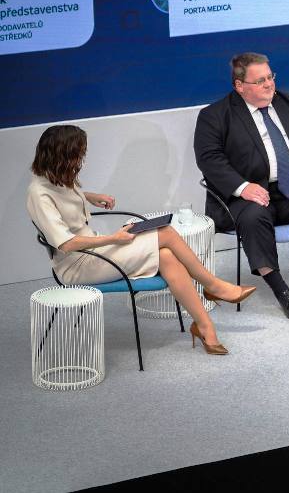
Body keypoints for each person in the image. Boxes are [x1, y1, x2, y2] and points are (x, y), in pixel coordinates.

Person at [27, 125, 255, 355]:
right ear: (62, 155)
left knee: (167, 256)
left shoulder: (60, 178)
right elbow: (66, 243)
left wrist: (90, 197)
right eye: (78, 155)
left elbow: (66, 198)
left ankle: (205, 326)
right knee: (166, 233)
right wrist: (114, 239)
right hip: (78, 266)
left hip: (96, 254)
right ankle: (214, 286)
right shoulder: (39, 193)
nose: (81, 161)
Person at [194, 52, 289, 320]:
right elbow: (209, 159)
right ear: (239, 85)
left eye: (270, 77)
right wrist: (243, 187)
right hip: (250, 197)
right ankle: (282, 292)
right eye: (260, 81)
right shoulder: (215, 115)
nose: (269, 85)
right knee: (253, 219)